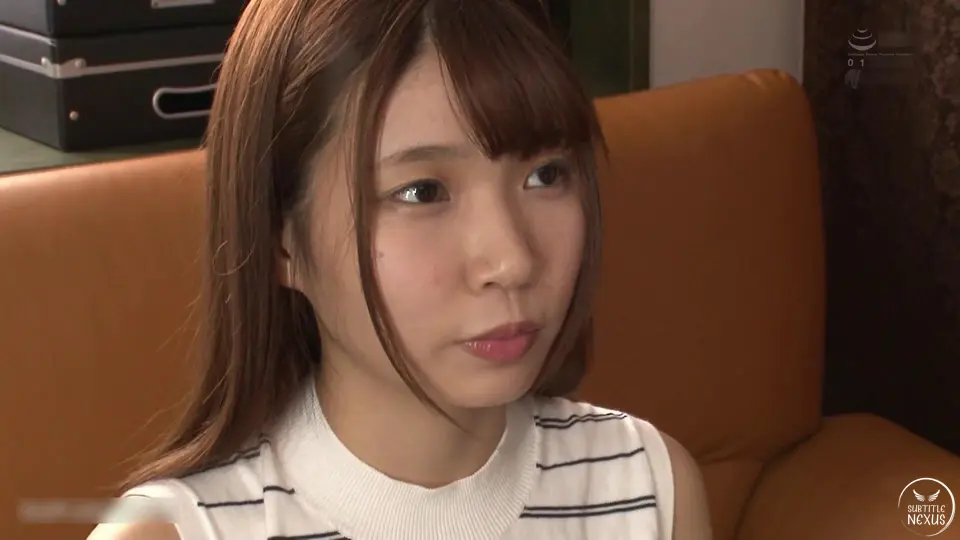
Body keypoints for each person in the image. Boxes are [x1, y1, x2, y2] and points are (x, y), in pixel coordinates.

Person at [89, 0, 712, 538]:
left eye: (545, 175)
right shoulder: (176, 532)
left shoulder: (650, 490)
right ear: (280, 240)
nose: (512, 260)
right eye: (422, 192)